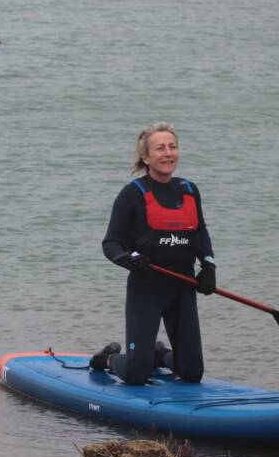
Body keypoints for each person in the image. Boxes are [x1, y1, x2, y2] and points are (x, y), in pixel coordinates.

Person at [92, 122, 216, 385]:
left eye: (172, 147)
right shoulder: (132, 194)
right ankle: (109, 359)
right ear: (145, 157)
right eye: (160, 148)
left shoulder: (190, 190)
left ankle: (159, 355)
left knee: (192, 373)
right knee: (138, 374)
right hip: (146, 289)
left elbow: (201, 233)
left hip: (183, 287)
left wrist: (208, 267)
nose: (168, 153)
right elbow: (111, 243)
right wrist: (131, 260)